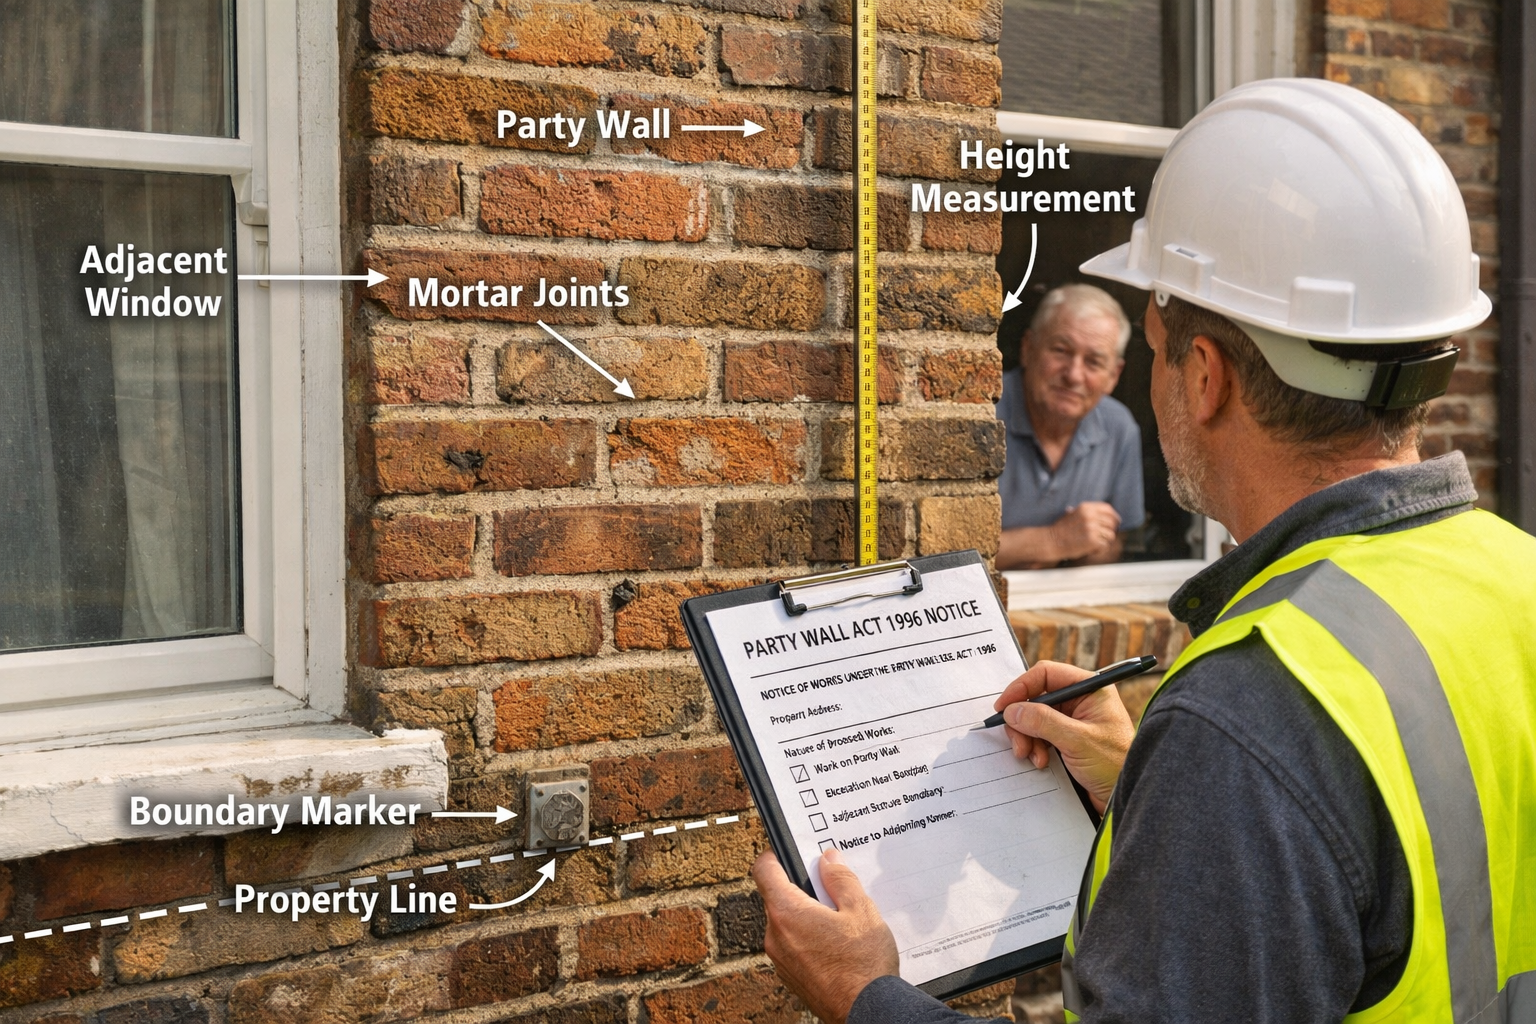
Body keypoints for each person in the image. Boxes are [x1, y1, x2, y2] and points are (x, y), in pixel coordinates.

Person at [751, 78, 1536, 1023]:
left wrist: (862, 996)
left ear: (1202, 376)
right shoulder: (1516, 576)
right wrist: (1162, 798)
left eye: (1154, 349)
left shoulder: (1248, 714)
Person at [995, 284, 1144, 569]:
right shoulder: (980, 412)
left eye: (1094, 362)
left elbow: (1115, 544)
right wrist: (1056, 541)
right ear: (1027, 348)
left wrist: (1090, 541)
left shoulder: (1119, 427)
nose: (1074, 375)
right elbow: (940, 552)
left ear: (1114, 376)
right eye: (1061, 351)